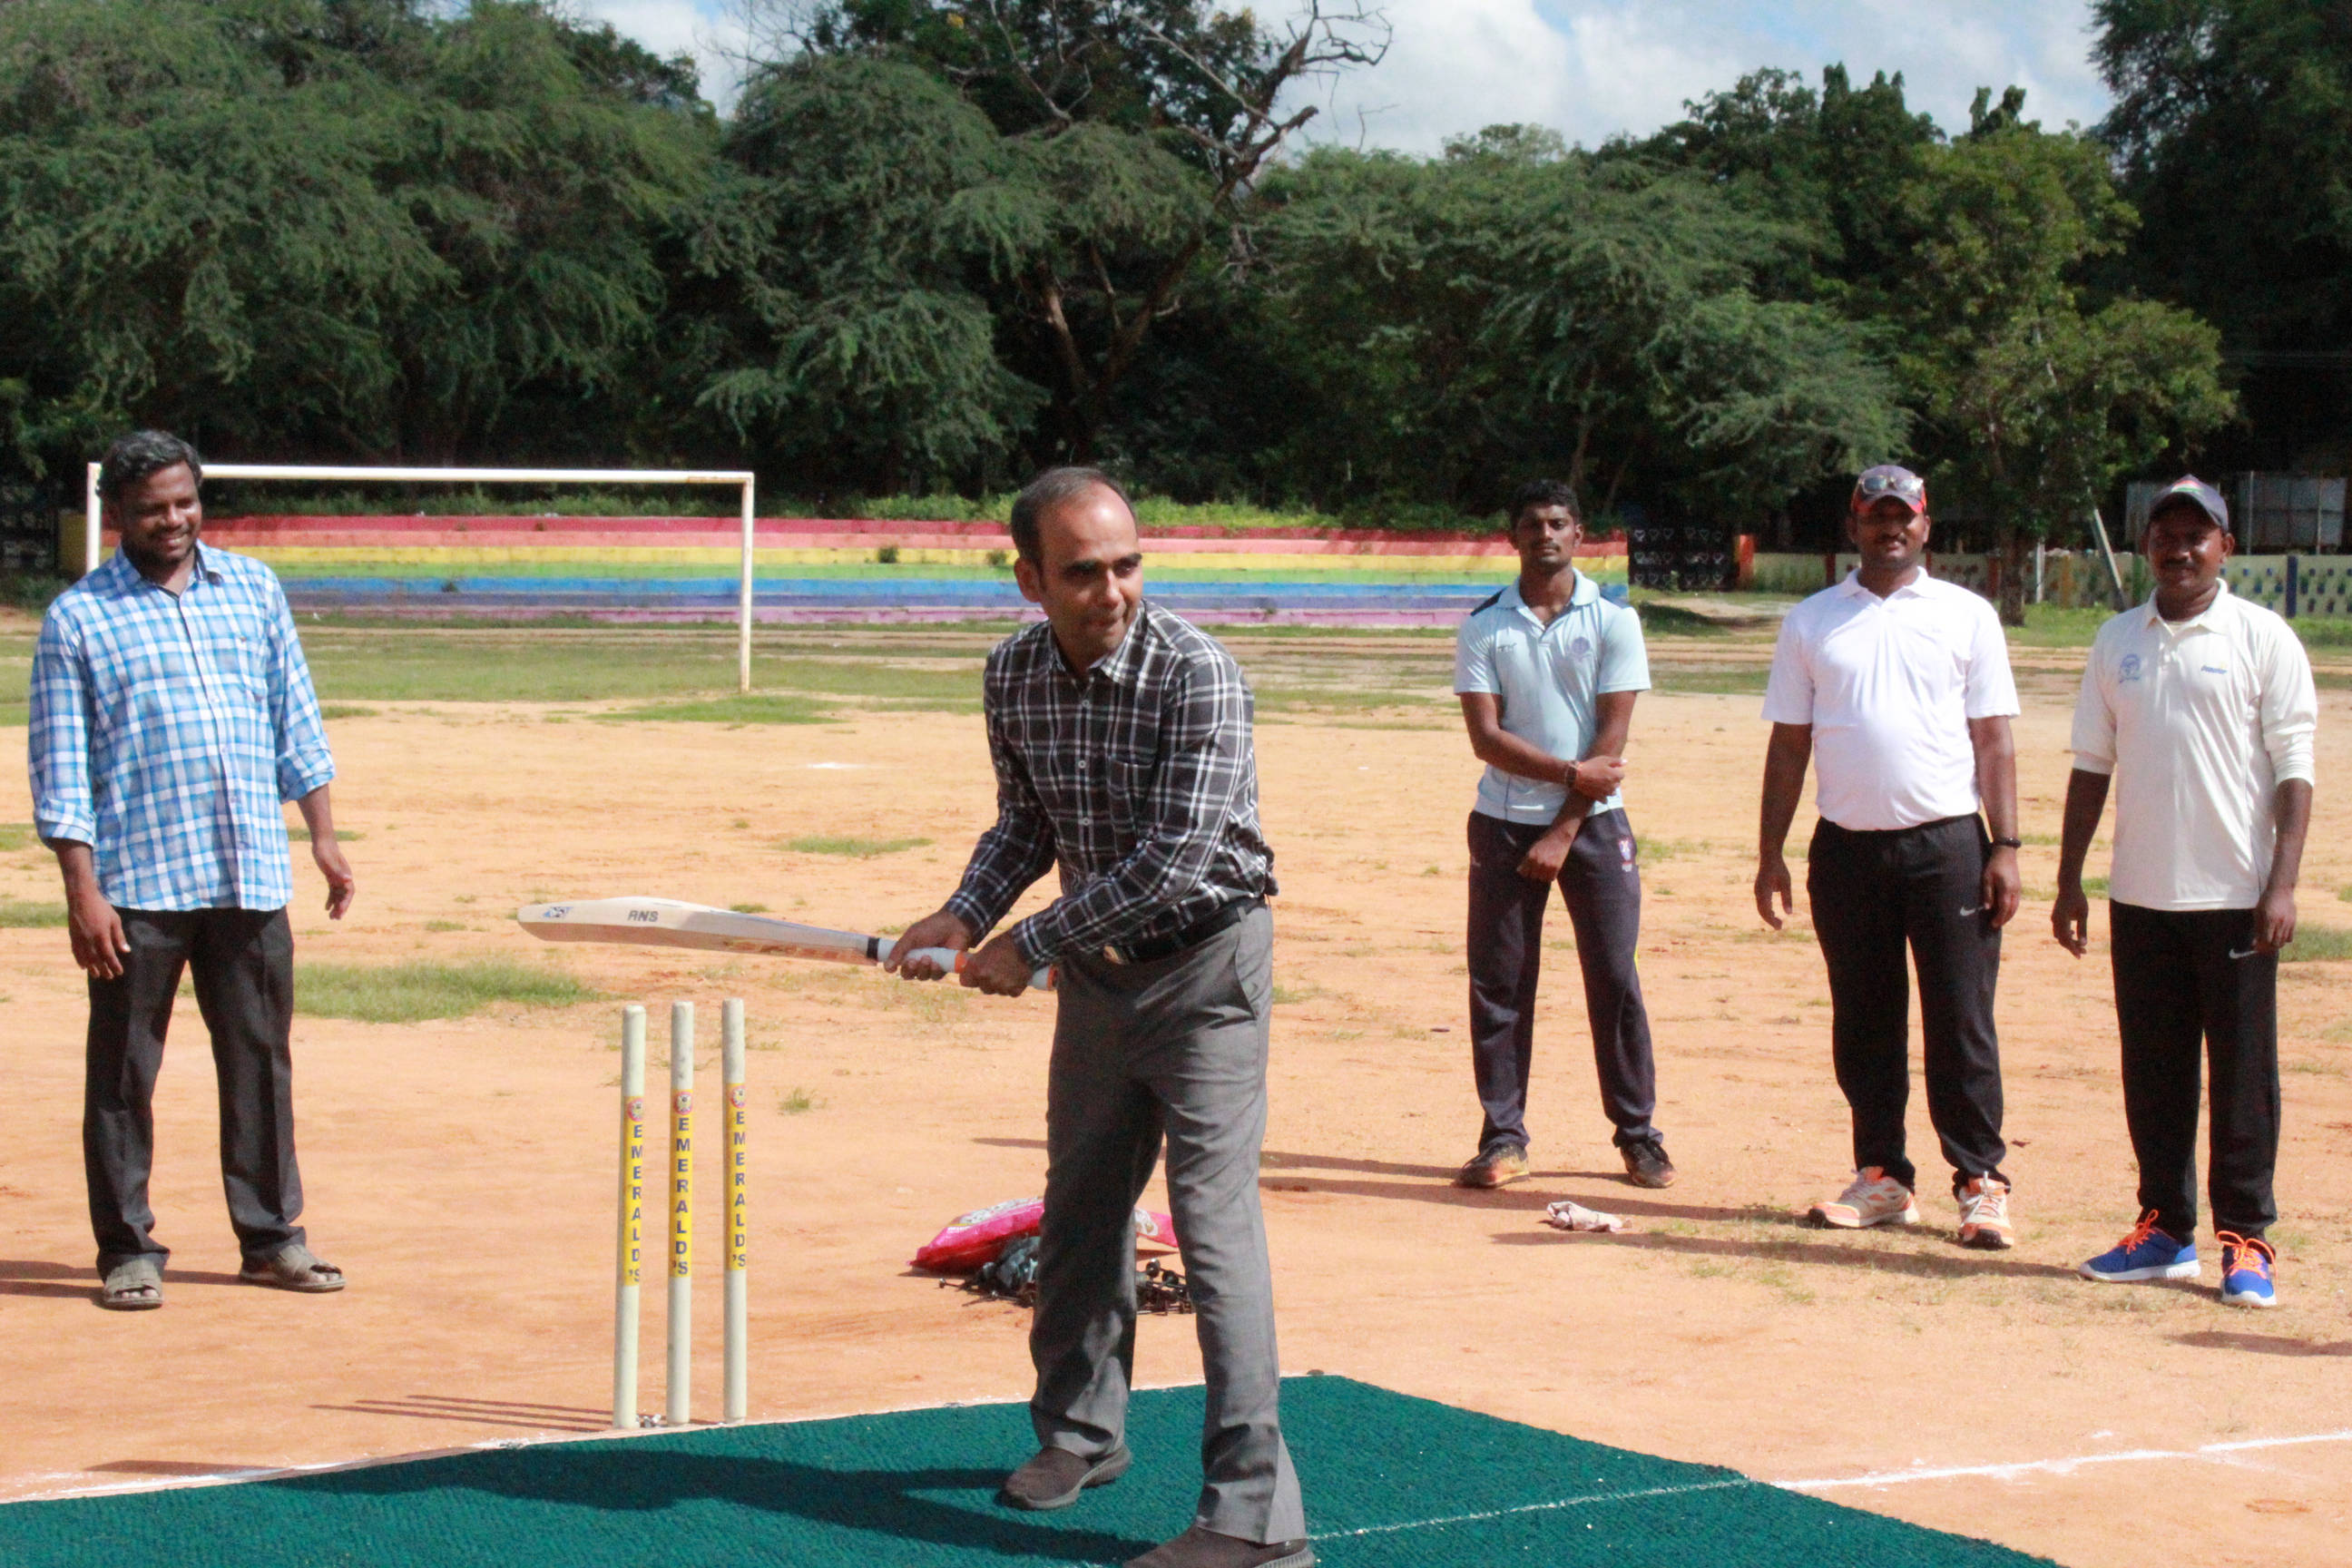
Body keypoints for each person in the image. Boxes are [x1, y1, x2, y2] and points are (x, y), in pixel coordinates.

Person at [887, 468, 1304, 1568]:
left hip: (1209, 973)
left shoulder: (1198, 673)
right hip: (1099, 981)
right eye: (1082, 573)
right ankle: (1080, 1434)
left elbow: (1175, 863)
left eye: (1127, 566)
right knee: (1078, 1214)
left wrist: (1029, 943)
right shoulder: (1013, 673)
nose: (1112, 591)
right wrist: (964, 912)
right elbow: (1026, 823)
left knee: (1213, 1233)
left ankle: (1256, 1522)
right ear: (1030, 580)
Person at [28, 429, 355, 1311]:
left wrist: (322, 837)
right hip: (137, 887)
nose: (172, 520)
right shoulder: (79, 619)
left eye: (184, 502)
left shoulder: (253, 589)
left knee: (260, 1063)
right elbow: (61, 772)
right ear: (116, 514)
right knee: (123, 1077)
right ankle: (128, 1250)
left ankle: (272, 1239)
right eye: (151, 509)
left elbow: (296, 719)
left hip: (249, 874)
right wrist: (82, 891)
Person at [2056, 476, 2316, 1308]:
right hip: (2141, 897)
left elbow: (2295, 768)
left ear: (2225, 547)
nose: (2179, 549)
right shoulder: (2117, 640)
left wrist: (2282, 884)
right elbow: (2091, 764)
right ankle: (2165, 1231)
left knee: (2243, 1077)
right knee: (2154, 1071)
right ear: (2147, 547)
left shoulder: (2262, 637)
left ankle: (2247, 1239)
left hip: (2235, 895)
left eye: (2196, 535)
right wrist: (2069, 878)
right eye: (2165, 535)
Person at [1754, 464, 2024, 1248]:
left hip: (1948, 845)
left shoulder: (1966, 616)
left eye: (1904, 515)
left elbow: (1993, 739)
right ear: (1854, 526)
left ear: (1926, 526)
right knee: (1865, 1020)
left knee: (1960, 1018)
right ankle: (1883, 1177)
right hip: (1846, 849)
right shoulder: (1812, 621)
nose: (1891, 527)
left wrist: (2005, 846)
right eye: (1876, 515)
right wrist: (1770, 851)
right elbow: (1789, 743)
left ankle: (1980, 1181)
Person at [1451, 479, 1672, 1191]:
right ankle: (1503, 1139)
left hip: (1595, 828)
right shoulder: (1485, 625)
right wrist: (1572, 774)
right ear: (1511, 536)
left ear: (1579, 534)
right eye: (1531, 524)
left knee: (1613, 978)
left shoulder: (1613, 620)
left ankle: (1638, 1136)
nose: (1544, 535)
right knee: (1500, 985)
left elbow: (1614, 735)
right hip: (1503, 824)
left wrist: (1564, 826)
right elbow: (1486, 738)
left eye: (1557, 523)